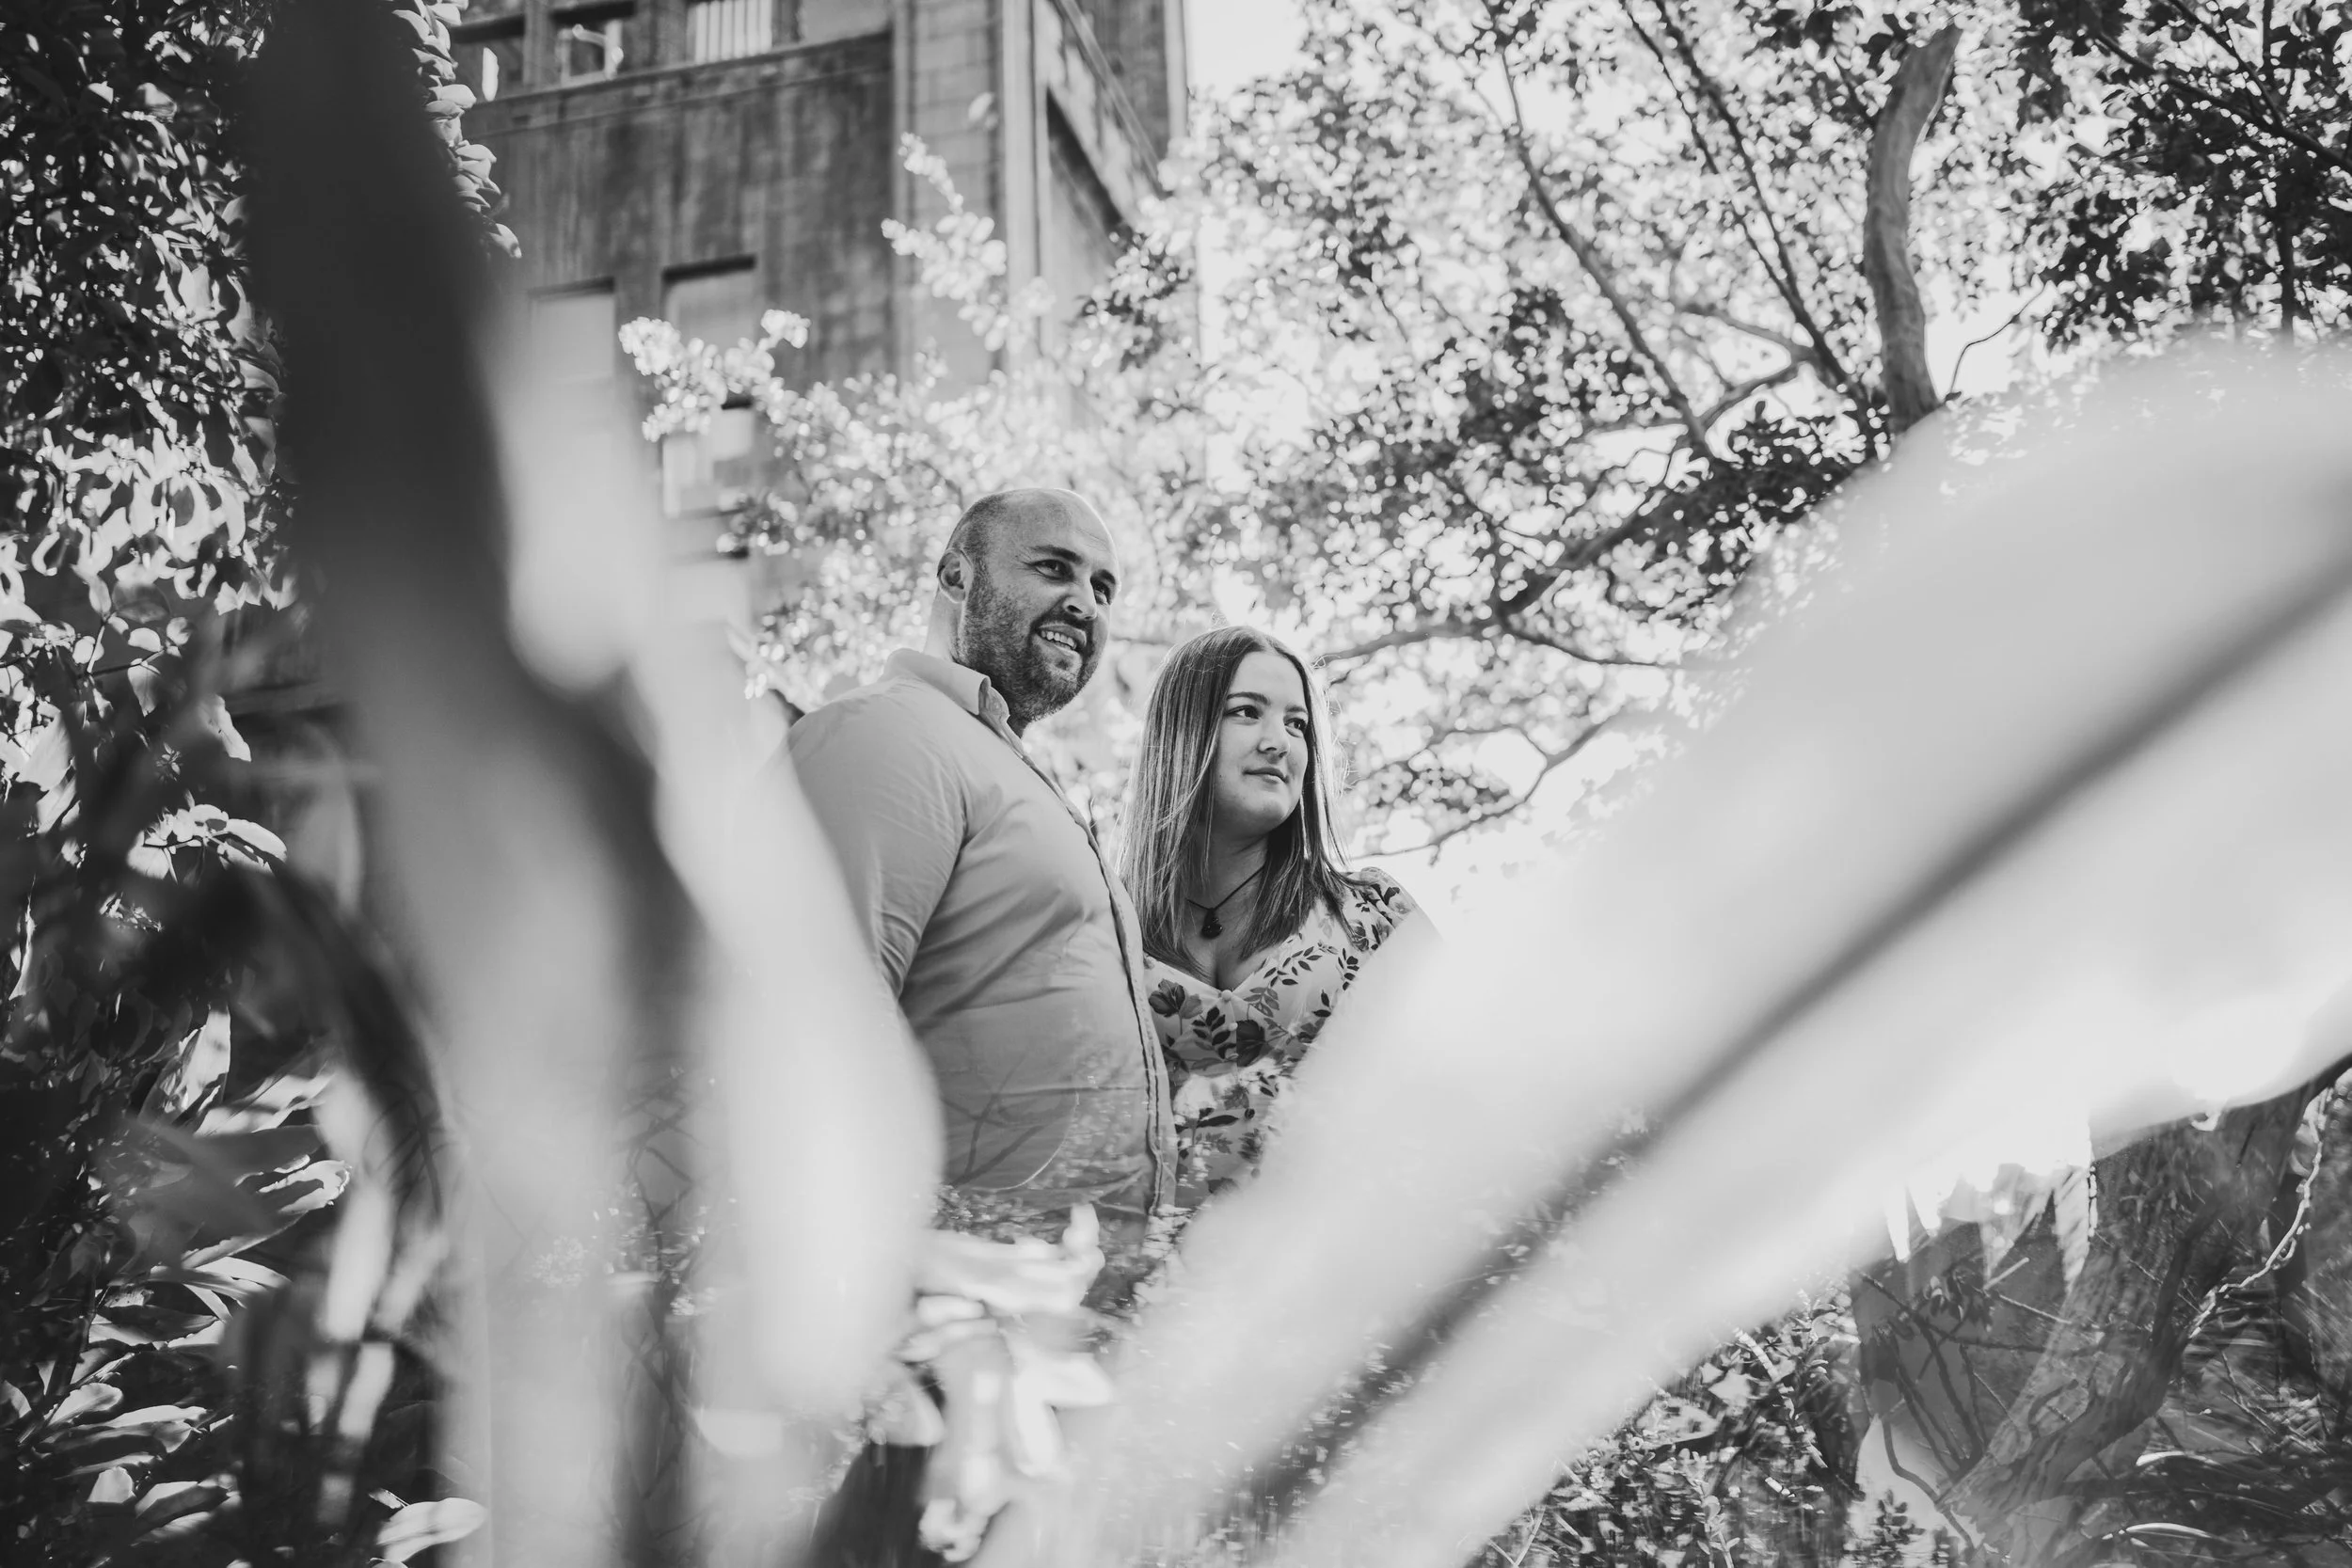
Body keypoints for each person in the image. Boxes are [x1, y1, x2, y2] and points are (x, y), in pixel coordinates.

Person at [786, 485, 1174, 1279]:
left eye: (1104, 588)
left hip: (1079, 1332)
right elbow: (802, 1026)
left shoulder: (1019, 779)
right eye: (1053, 568)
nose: (1084, 602)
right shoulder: (889, 732)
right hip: (959, 1329)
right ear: (956, 577)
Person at [1120, 626, 1426, 1210]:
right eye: (1246, 712)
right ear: (1180, 731)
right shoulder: (1103, 927)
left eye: (1297, 724)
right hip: (1129, 1284)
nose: (1279, 742)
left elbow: (1471, 1094)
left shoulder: (1373, 916)